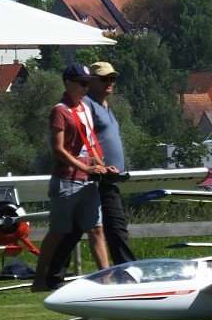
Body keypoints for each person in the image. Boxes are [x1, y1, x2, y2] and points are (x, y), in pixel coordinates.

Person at [46, 60, 135, 283]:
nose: (110, 83)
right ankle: (128, 274)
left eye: (112, 79)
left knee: (82, 231)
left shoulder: (104, 106)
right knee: (110, 228)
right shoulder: (85, 106)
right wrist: (91, 167)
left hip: (106, 176)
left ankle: (53, 275)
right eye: (104, 79)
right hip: (93, 178)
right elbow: (81, 141)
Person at [31, 63, 112, 292]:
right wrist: (86, 168)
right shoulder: (60, 110)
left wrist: (102, 165)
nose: (87, 88)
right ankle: (39, 280)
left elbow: (90, 144)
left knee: (96, 229)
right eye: (82, 83)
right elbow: (58, 150)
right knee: (57, 232)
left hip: (87, 181)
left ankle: (106, 282)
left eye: (88, 83)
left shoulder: (85, 108)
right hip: (66, 181)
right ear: (68, 83)